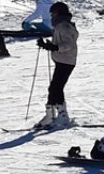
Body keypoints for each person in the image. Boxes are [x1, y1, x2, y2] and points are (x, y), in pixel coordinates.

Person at [33, 2, 78, 130]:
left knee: (55, 88)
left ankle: (57, 116)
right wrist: (48, 45)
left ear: (58, 13)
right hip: (62, 60)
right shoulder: (60, 25)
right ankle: (53, 115)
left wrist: (53, 47)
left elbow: (68, 45)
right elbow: (60, 43)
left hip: (67, 61)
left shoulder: (64, 26)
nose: (51, 16)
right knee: (55, 88)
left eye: (53, 13)